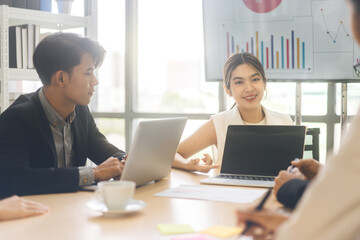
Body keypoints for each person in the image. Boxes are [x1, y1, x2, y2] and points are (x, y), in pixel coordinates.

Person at [236, 0, 360, 239]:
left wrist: (292, 190)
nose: (249, 88)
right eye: (238, 82)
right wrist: (323, 175)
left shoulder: (282, 119)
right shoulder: (220, 120)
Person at [0, 33, 126, 198]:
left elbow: (103, 150)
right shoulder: (16, 120)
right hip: (31, 217)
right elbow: (17, 180)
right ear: (61, 78)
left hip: (68, 210)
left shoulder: (80, 111)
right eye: (88, 73)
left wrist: (125, 160)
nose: (95, 81)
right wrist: (93, 173)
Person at [172, 52, 293, 173]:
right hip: (229, 191)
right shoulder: (218, 123)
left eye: (255, 79)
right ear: (227, 90)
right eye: (239, 82)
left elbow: (294, 170)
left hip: (274, 191)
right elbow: (171, 155)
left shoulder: (285, 121)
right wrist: (189, 165)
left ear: (264, 83)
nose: (249, 88)